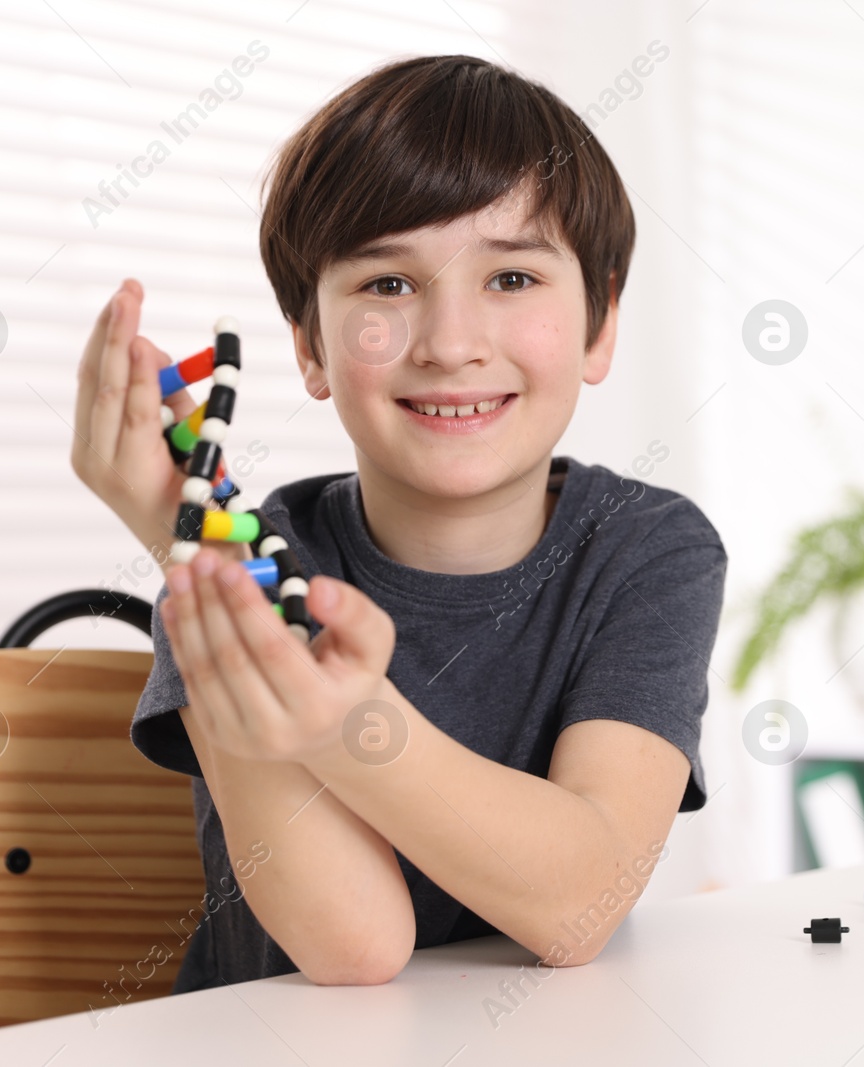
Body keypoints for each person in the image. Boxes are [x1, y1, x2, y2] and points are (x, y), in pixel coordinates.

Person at [71, 54, 726, 990]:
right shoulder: (230, 561)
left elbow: (581, 901)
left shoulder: (647, 548)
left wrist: (347, 719)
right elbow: (355, 946)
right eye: (387, 285)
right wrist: (179, 535)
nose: (451, 343)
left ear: (599, 323)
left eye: (511, 279)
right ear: (310, 344)